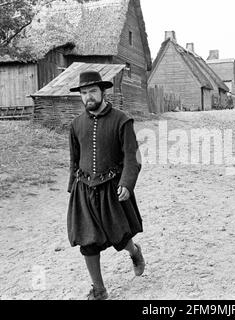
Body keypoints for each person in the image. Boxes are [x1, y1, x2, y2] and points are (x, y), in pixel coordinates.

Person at [67, 70, 145, 300]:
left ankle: (135, 252)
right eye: (84, 93)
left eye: (92, 91)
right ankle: (99, 290)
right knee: (87, 241)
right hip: (84, 189)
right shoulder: (76, 124)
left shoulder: (121, 120)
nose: (88, 96)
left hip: (112, 188)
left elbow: (133, 157)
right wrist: (73, 187)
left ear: (102, 92)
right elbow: (73, 159)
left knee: (120, 236)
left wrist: (127, 183)